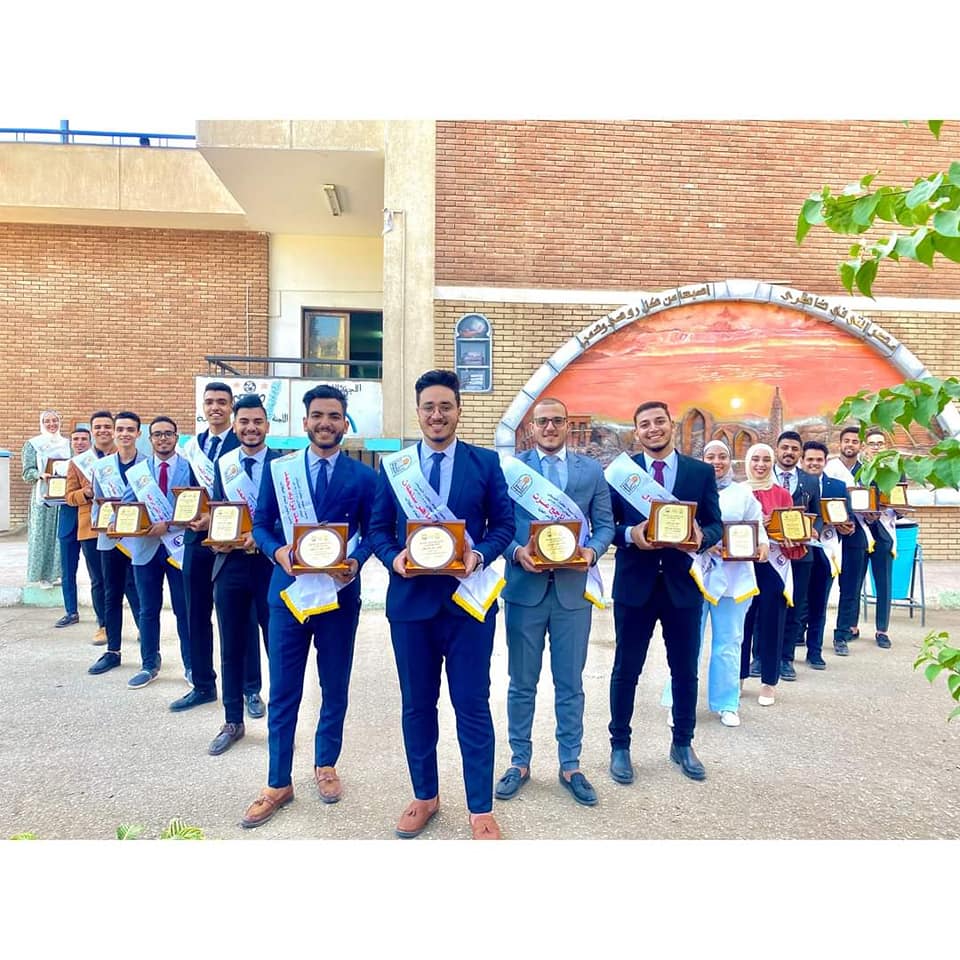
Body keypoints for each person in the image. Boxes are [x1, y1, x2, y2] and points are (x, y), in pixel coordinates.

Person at [368, 369, 515, 840]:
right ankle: (425, 795)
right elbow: (377, 530)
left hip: (468, 607)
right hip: (411, 606)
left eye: (445, 406)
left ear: (458, 411)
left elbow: (505, 525)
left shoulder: (485, 462)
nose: (437, 415)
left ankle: (480, 808)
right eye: (429, 407)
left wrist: (480, 554)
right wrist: (394, 558)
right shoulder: (396, 468)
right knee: (417, 705)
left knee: (472, 704)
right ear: (418, 412)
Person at [241, 386, 376, 826]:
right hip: (289, 596)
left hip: (339, 595)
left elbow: (374, 531)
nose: (325, 423)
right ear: (304, 422)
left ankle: (326, 764)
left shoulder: (363, 477)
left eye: (334, 416)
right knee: (284, 690)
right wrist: (278, 552)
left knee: (334, 686)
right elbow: (261, 524)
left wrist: (356, 561)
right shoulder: (280, 471)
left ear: (344, 423)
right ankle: (277, 781)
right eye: (317, 415)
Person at [495, 397, 614, 807]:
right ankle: (519, 761)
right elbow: (497, 524)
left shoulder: (591, 470)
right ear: (531, 427)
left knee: (570, 684)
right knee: (521, 684)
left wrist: (592, 552)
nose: (550, 427)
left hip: (571, 593)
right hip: (524, 591)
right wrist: (515, 552)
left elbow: (605, 525)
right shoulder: (513, 470)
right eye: (542, 421)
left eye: (557, 421)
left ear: (567, 426)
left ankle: (570, 765)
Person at [606, 401, 722, 785]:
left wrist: (701, 537)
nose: (653, 428)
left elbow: (715, 524)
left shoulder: (700, 472)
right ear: (636, 431)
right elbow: (607, 524)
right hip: (634, 586)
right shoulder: (621, 474)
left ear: (671, 425)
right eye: (645, 424)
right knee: (626, 670)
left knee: (684, 671)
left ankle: (683, 743)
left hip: (682, 587)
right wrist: (629, 534)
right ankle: (620, 746)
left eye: (659, 421)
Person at [170, 381, 263, 716]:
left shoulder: (245, 443)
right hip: (197, 540)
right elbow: (185, 491)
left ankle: (250, 690)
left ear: (231, 408)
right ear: (203, 407)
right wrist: (189, 516)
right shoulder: (192, 447)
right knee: (195, 613)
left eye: (222, 402)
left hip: (238, 544)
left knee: (242, 617)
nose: (215, 407)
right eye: (209, 402)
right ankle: (202, 685)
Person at [661, 439, 767, 727]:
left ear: (730, 460)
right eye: (710, 457)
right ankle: (679, 703)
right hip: (695, 576)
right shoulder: (689, 489)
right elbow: (676, 526)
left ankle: (727, 703)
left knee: (729, 642)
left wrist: (761, 545)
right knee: (686, 643)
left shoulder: (743, 494)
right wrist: (705, 543)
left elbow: (758, 528)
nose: (717, 462)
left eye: (722, 456)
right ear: (702, 460)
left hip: (733, 579)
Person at [204, 395, 279, 758]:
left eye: (257, 422)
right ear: (235, 426)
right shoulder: (224, 465)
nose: (251, 428)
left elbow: (290, 518)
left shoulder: (283, 465)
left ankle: (281, 724)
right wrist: (217, 534)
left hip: (270, 567)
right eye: (244, 422)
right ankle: (232, 720)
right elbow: (221, 508)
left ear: (267, 425)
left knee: (278, 647)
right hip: (231, 565)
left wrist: (262, 536)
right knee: (230, 646)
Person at [121, 416, 192, 689]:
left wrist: (168, 525)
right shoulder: (138, 473)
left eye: (168, 434)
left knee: (184, 610)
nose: (163, 438)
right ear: (150, 439)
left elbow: (198, 507)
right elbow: (127, 505)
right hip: (146, 549)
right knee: (147, 610)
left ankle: (191, 666)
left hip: (179, 548)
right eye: (158, 434)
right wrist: (123, 522)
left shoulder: (189, 468)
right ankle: (149, 664)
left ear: (176, 437)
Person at [741, 443, 804, 706]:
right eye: (755, 459)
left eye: (766, 459)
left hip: (774, 566)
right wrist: (757, 525)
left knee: (772, 623)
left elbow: (791, 526)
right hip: (743, 564)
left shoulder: (782, 494)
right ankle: (738, 677)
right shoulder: (738, 492)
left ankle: (769, 682)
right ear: (747, 462)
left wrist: (792, 535)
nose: (760, 464)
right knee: (741, 624)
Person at [65, 411, 135, 646]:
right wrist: (85, 493)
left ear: (113, 430)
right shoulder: (78, 462)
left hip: (123, 526)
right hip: (91, 529)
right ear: (92, 431)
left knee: (130, 579)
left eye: (107, 426)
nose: (103, 430)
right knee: (99, 580)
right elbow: (69, 497)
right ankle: (103, 625)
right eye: (98, 427)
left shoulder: (124, 455)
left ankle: (140, 624)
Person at [87, 412, 144, 676]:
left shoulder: (147, 464)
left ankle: (149, 652)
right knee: (112, 595)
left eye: (130, 429)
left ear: (138, 433)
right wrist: (100, 523)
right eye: (120, 429)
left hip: (140, 540)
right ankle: (113, 651)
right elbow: (97, 502)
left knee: (142, 594)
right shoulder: (102, 466)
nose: (124, 434)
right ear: (114, 432)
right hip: (110, 539)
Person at [800, 440, 854, 669]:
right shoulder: (795, 483)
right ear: (802, 461)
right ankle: (789, 648)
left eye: (819, 460)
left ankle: (815, 651)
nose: (814, 463)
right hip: (800, 549)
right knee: (796, 602)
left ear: (825, 461)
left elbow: (848, 518)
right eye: (810, 459)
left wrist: (846, 526)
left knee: (819, 604)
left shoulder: (838, 486)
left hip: (827, 550)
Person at [773, 430, 821, 680]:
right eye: (785, 447)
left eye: (794, 448)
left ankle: (786, 659)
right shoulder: (764, 476)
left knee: (795, 605)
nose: (789, 452)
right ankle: (760, 657)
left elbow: (818, 515)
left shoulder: (810, 481)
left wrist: (814, 530)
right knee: (765, 607)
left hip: (802, 554)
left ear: (800, 453)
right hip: (770, 555)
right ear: (777, 449)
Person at [21, 410, 70, 585]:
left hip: (63, 497)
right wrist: (40, 474)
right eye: (47, 421)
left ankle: (57, 574)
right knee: (41, 536)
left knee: (60, 537)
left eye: (55, 420)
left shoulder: (67, 444)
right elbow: (27, 473)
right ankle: (41, 576)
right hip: (42, 497)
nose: (51, 424)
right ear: (42, 423)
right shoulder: (33, 445)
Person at [831, 425, 867, 655]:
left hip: (857, 532)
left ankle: (842, 634)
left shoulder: (868, 471)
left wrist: (873, 514)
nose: (850, 445)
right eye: (847, 441)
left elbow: (875, 500)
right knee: (818, 585)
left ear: (860, 446)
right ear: (840, 444)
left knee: (850, 587)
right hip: (830, 533)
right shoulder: (829, 469)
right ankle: (802, 631)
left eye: (855, 441)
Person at [54, 426, 95, 628]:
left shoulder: (97, 464)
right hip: (68, 523)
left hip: (90, 525)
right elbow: (63, 495)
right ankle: (71, 611)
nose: (79, 443)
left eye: (83, 439)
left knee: (96, 574)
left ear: (90, 442)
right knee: (68, 571)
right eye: (75, 439)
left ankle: (103, 616)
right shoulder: (62, 466)